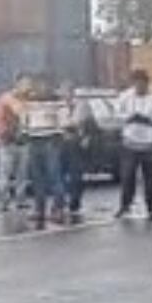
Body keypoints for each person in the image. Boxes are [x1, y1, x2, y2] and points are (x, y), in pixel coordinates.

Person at [113, 68, 152, 220]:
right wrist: (129, 117)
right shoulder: (125, 96)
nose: (139, 86)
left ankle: (151, 207)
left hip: (150, 143)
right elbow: (116, 114)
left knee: (150, 178)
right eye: (136, 83)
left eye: (142, 83)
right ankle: (125, 205)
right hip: (130, 143)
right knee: (127, 176)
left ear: (147, 82)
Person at [21, 74, 70, 227]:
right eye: (38, 84)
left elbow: (64, 119)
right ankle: (39, 209)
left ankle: (58, 209)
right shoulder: (29, 100)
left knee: (54, 176)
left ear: (50, 84)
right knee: (37, 178)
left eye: (45, 84)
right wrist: (24, 133)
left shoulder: (57, 100)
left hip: (51, 140)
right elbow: (25, 118)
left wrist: (60, 134)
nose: (41, 87)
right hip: (34, 141)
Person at [0, 75, 33, 212]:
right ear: (17, 84)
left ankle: (21, 200)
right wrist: (0, 135)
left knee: (22, 173)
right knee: (5, 174)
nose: (27, 87)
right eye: (25, 84)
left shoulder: (28, 99)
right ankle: (4, 201)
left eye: (29, 84)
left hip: (23, 141)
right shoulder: (7, 98)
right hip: (7, 141)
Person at [62, 87, 99, 223]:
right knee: (61, 174)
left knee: (76, 174)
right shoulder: (59, 106)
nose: (65, 96)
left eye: (67, 93)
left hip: (76, 143)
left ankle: (74, 201)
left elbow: (90, 125)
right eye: (63, 93)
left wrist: (87, 137)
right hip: (61, 143)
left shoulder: (82, 106)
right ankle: (64, 200)